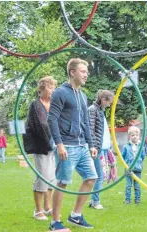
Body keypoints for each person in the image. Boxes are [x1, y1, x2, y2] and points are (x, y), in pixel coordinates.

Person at [47, 58, 98, 230]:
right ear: (72, 72)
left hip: (82, 145)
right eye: (83, 71)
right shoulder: (61, 92)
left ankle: (75, 215)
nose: (86, 75)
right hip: (67, 145)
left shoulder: (83, 96)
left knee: (92, 178)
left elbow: (85, 122)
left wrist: (91, 144)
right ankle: (55, 222)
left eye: (86, 72)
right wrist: (59, 144)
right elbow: (52, 118)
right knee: (63, 182)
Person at [23, 76, 57, 221]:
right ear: (42, 89)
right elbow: (42, 126)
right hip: (41, 146)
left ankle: (48, 207)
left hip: (54, 145)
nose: (52, 90)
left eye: (53, 88)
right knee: (42, 177)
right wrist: (54, 142)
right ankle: (38, 210)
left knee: (51, 178)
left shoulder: (53, 104)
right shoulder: (36, 105)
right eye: (50, 87)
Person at [87, 89, 114, 210]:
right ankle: (95, 201)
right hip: (96, 149)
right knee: (99, 175)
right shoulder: (92, 110)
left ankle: (94, 200)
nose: (110, 105)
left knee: (101, 174)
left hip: (102, 148)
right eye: (109, 102)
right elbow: (90, 130)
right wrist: (93, 146)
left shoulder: (100, 111)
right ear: (103, 100)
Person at [122, 126, 146, 205]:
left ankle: (137, 199)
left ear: (139, 136)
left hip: (138, 169)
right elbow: (123, 156)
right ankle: (127, 199)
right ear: (129, 136)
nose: (135, 137)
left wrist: (139, 162)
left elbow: (143, 156)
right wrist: (127, 164)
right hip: (129, 168)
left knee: (137, 186)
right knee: (128, 185)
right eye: (132, 135)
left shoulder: (141, 146)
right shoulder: (126, 146)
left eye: (136, 135)